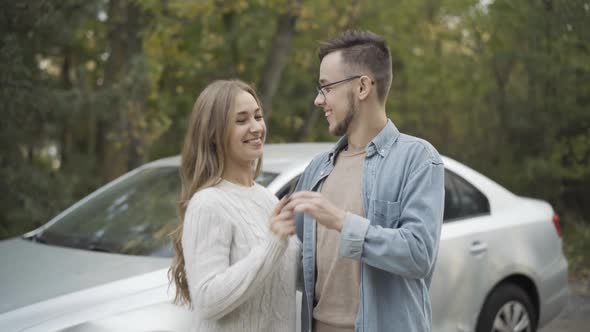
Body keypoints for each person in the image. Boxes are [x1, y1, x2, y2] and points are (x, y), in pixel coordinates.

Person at [285, 30, 445, 332]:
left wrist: (343, 222)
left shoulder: (418, 159)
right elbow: (301, 268)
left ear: (362, 87)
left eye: (326, 88)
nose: (318, 100)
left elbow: (418, 254)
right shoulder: (317, 169)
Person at [169, 79, 299, 332]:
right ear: (213, 134)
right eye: (241, 121)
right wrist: (273, 244)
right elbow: (207, 300)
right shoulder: (208, 203)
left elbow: (294, 276)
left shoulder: (267, 199)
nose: (256, 127)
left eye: (258, 116)